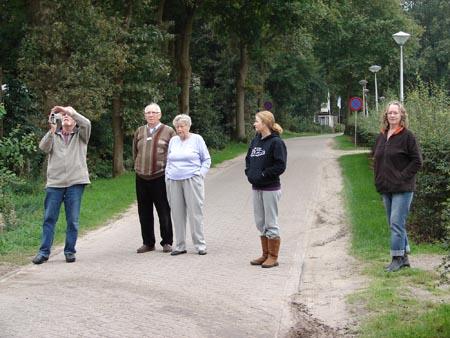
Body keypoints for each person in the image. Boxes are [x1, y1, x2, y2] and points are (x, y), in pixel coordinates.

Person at [32, 106, 91, 264]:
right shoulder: (54, 134)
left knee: (72, 219)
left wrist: (70, 110)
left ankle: (70, 251)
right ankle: (44, 252)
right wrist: (51, 131)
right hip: (55, 183)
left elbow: (87, 123)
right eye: (63, 116)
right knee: (49, 218)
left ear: (74, 121)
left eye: (69, 116)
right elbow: (43, 148)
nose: (66, 117)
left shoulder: (81, 135)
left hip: (75, 182)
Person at [373, 101, 422, 272]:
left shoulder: (408, 136)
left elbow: (417, 161)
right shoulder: (382, 135)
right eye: (389, 113)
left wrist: (401, 177)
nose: (392, 115)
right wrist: (378, 179)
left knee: (396, 222)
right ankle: (404, 257)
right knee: (394, 223)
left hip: (403, 187)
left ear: (402, 115)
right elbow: (377, 159)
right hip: (386, 187)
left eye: (395, 113)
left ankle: (396, 258)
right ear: (385, 116)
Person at [245, 110, 287, 268]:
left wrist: (263, 174)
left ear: (265, 123)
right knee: (260, 222)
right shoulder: (255, 140)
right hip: (256, 187)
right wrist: (249, 173)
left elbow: (280, 165)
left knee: (271, 222)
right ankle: (264, 254)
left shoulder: (276, 143)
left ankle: (273, 256)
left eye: (256, 121)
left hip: (270, 188)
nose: (254, 123)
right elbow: (248, 159)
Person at [165, 114, 211, 256]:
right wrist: (167, 174)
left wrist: (200, 174)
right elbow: (169, 160)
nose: (179, 129)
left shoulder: (197, 139)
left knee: (195, 213)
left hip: (192, 179)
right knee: (177, 214)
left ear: (188, 126)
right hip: (173, 180)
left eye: (182, 126)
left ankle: (200, 245)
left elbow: (207, 160)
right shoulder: (173, 140)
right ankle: (180, 245)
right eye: (177, 127)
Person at [133, 103, 176, 254]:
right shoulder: (139, 131)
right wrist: (138, 167)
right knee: (143, 211)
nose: (151, 115)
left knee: (163, 210)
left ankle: (167, 242)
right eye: (148, 113)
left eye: (154, 112)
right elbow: (135, 151)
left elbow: (174, 153)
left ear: (160, 115)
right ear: (145, 115)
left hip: (160, 176)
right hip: (141, 176)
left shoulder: (169, 131)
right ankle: (148, 243)